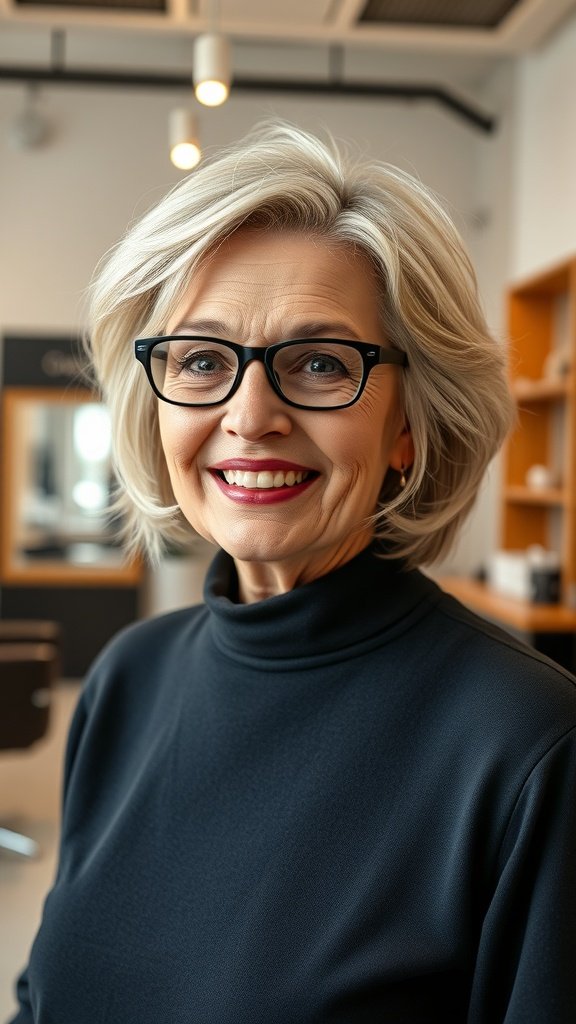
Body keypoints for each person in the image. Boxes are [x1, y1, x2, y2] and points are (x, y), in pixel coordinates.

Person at [11, 122, 576, 1024]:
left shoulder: (528, 747)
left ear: (408, 426)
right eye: (201, 359)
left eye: (318, 362)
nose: (250, 415)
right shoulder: (130, 678)